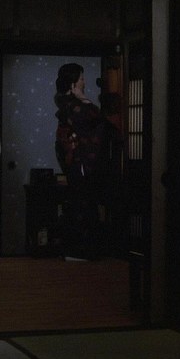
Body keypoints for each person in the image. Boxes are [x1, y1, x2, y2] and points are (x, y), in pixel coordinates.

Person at [54, 63, 111, 260]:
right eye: (81, 79)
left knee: (81, 205)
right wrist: (84, 99)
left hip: (77, 163)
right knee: (83, 206)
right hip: (80, 163)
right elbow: (98, 120)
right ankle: (80, 250)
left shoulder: (68, 105)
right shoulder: (75, 107)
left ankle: (78, 250)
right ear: (73, 85)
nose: (84, 82)